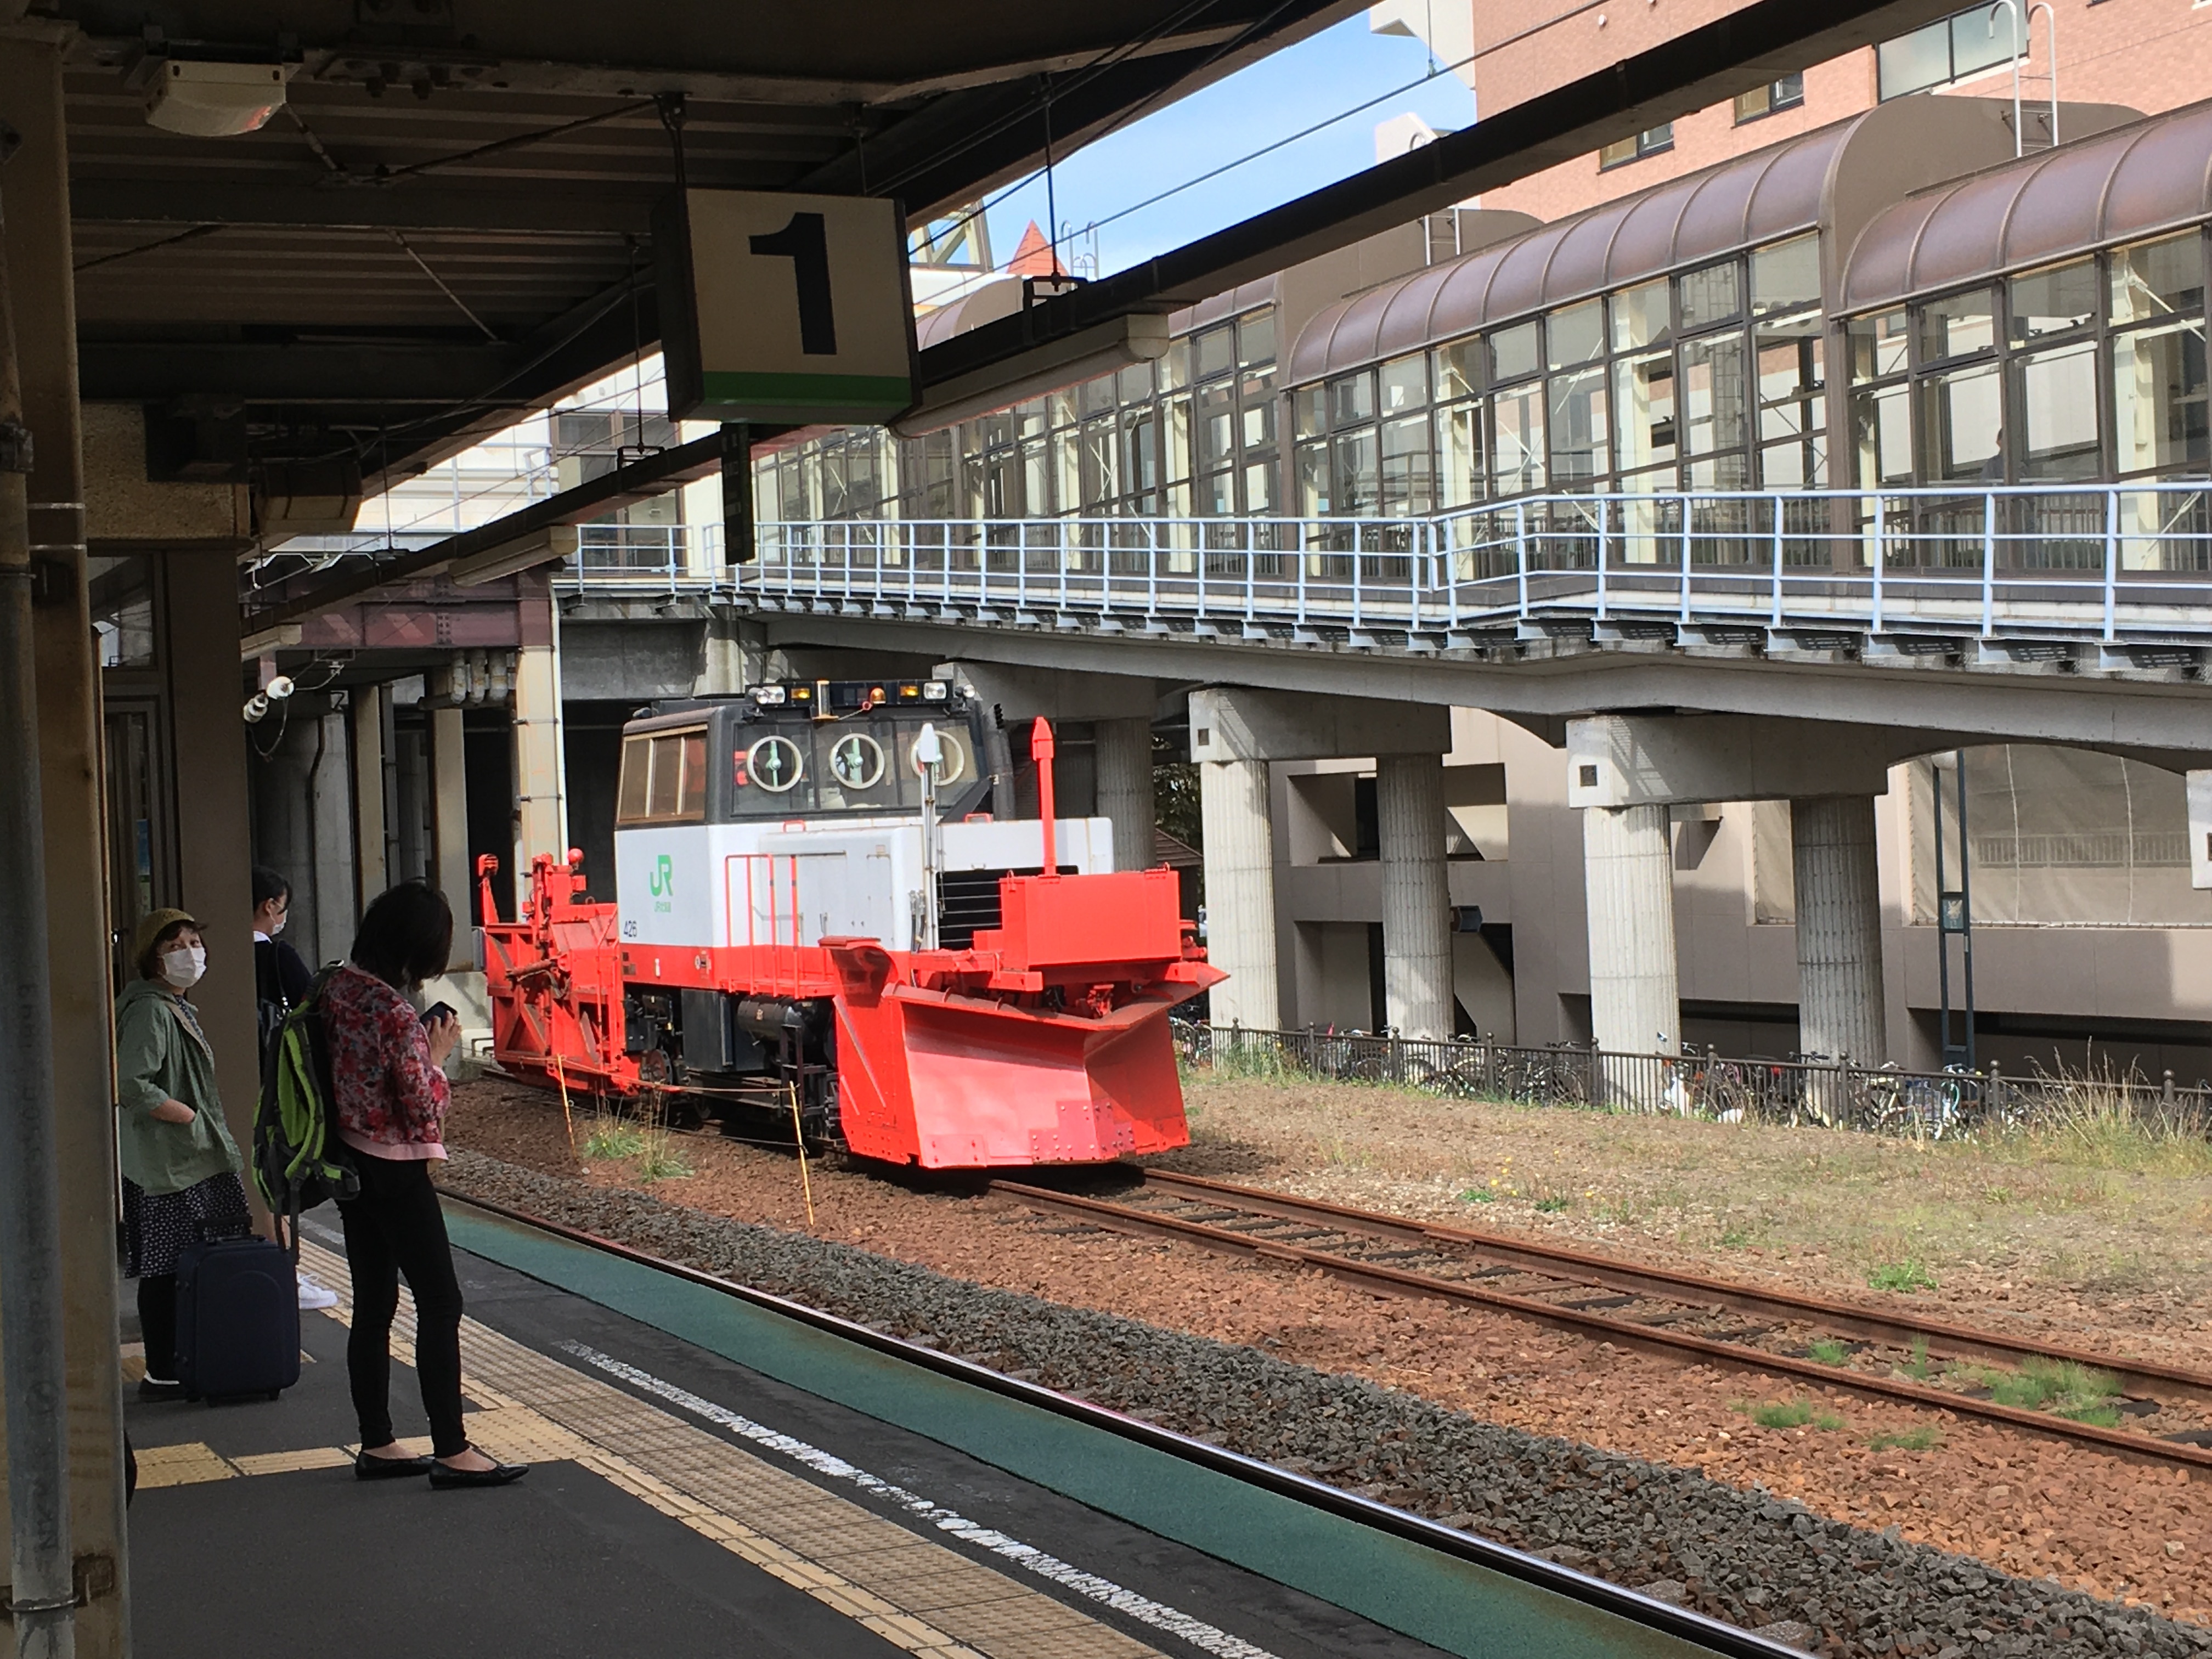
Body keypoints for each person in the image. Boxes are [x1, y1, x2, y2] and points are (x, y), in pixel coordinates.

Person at [326, 881, 524, 1490]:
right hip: (397, 1168)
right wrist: (436, 1058)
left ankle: (378, 1442)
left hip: (350, 1164)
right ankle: (453, 1450)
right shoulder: (392, 1013)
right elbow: (423, 1110)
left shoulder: (336, 988)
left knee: (373, 1305)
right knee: (440, 1303)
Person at [116, 909, 255, 1400]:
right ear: (153, 958)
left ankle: (179, 1361)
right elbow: (131, 1082)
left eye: (194, 942)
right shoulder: (152, 1011)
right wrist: (185, 1115)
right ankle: (163, 1371)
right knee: (166, 1268)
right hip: (172, 1161)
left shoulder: (170, 1005)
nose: (190, 954)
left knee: (175, 1265)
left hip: (178, 1159)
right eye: (175, 946)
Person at [251, 865, 340, 1312]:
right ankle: (281, 1268)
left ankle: (270, 1262)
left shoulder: (215, 954)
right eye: (282, 907)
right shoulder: (277, 956)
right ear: (270, 907)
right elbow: (313, 1008)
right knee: (275, 1167)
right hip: (273, 1078)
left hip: (228, 1071)